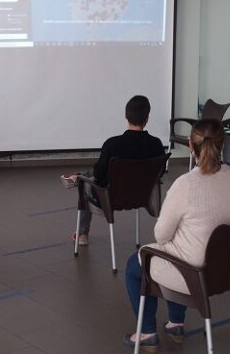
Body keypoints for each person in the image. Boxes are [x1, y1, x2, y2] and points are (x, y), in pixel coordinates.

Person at [123, 118, 230, 352]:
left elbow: (161, 235)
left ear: (190, 145)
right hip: (229, 271)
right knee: (180, 249)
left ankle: (148, 332)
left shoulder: (185, 184)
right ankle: (175, 323)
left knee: (136, 264)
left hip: (194, 274)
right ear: (222, 144)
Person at [63, 95, 164, 246]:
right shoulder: (156, 145)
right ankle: (80, 176)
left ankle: (82, 234)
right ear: (147, 118)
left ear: (126, 116)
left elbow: (99, 175)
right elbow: (159, 174)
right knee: (94, 173)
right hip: (143, 196)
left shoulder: (112, 145)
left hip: (111, 198)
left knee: (87, 181)